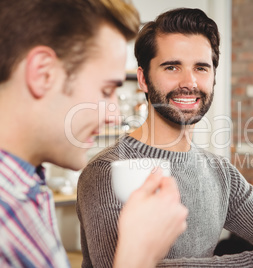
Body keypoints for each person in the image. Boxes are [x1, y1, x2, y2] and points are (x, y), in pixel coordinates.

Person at [77, 8, 253, 267]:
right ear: (143, 79)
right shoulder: (107, 172)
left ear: (212, 78)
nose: (189, 82)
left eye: (201, 68)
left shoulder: (220, 173)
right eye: (172, 67)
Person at [0, 0, 187, 267]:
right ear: (43, 74)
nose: (115, 115)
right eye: (105, 90)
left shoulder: (27, 189)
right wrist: (137, 256)